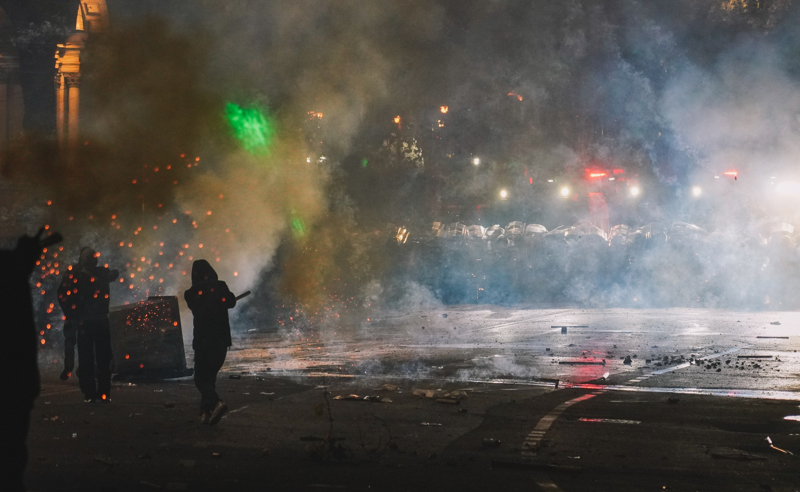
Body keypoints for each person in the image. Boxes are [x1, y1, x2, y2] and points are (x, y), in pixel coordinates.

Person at [1, 229, 49, 492]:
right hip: (14, 380)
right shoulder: (11, 275)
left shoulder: (13, 272)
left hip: (17, 380)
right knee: (12, 444)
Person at [184, 259, 236, 425]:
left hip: (204, 342)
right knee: (209, 378)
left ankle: (215, 403)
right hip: (221, 341)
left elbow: (228, 302)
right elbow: (231, 301)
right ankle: (205, 413)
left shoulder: (191, 292)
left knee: (200, 378)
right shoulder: (220, 286)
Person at [73, 247, 119, 402]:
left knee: (93, 359)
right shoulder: (99, 273)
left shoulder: (79, 276)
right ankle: (101, 393)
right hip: (97, 321)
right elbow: (114, 274)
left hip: (89, 322)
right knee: (101, 359)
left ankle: (92, 393)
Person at [56, 272, 78, 380]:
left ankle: (71, 368)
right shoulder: (66, 287)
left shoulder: (67, 286)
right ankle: (69, 368)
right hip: (73, 319)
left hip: (76, 318)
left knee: (72, 343)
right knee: (71, 343)